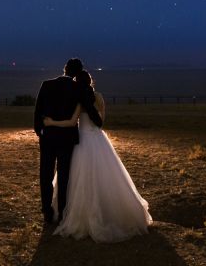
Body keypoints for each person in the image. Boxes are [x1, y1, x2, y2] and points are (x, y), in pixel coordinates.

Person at [43, 70, 153, 243]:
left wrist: (51, 122)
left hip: (82, 143)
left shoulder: (79, 101)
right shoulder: (100, 97)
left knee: (77, 178)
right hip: (99, 140)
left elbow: (72, 123)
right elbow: (101, 121)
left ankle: (79, 215)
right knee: (106, 177)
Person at [33, 58, 103, 224]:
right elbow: (90, 107)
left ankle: (47, 211)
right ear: (78, 72)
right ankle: (63, 211)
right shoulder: (78, 88)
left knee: (46, 174)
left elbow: (38, 111)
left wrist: (40, 132)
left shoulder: (46, 84)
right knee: (64, 175)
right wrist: (98, 121)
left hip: (48, 137)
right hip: (67, 139)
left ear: (64, 69)